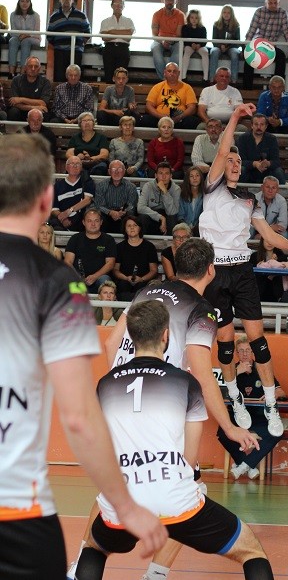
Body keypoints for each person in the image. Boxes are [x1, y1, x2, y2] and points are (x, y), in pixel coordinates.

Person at [0, 134, 164, 580]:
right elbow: (78, 416)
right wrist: (125, 506)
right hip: (17, 518)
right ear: (46, 198)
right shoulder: (60, 283)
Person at [75, 299, 273, 580]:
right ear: (166, 335)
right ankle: (157, 572)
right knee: (251, 551)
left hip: (122, 499)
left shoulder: (106, 384)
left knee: (94, 549)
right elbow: (189, 459)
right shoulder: (185, 382)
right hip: (174, 498)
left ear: (131, 336)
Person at [199, 102, 288, 438]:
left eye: (238, 162)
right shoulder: (212, 187)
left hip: (242, 271)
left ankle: (270, 403)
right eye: (230, 161)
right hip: (215, 273)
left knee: (258, 341)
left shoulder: (250, 198)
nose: (234, 164)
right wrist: (235, 116)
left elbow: (268, 236)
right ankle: (235, 398)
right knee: (225, 343)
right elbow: (224, 149)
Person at [218, 334, 286, 479]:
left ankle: (244, 465)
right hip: (237, 418)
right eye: (241, 351)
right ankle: (248, 464)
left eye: (248, 350)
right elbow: (219, 392)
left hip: (259, 416)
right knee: (222, 432)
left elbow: (281, 391)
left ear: (253, 352)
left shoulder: (261, 368)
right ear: (236, 353)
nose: (245, 354)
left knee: (277, 433)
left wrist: (273, 394)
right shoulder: (231, 370)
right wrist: (238, 372)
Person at [243, 0, 288, 89]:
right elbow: (252, 30)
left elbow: (287, 32)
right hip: (258, 45)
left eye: (275, 3)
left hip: (271, 47)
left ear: (279, 3)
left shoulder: (283, 13)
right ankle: (247, 88)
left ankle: (278, 87)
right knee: (248, 59)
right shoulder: (259, 11)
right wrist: (245, 47)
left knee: (281, 56)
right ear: (265, 3)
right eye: (270, 3)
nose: (273, 5)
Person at [64, 207, 117, 292]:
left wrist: (95, 276)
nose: (93, 224)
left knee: (105, 280)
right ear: (83, 222)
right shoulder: (75, 239)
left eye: (96, 221)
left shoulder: (108, 240)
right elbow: (68, 262)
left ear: (101, 222)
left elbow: (110, 263)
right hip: (78, 279)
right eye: (89, 221)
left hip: (100, 278)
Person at [47, 0, 91, 81]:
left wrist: (79, 44)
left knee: (75, 79)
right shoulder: (54, 17)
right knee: (59, 78)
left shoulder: (81, 15)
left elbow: (87, 33)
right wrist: (60, 44)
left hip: (76, 52)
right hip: (60, 52)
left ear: (73, 0)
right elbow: (49, 36)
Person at [142, 61, 200, 129]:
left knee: (192, 121)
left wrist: (180, 117)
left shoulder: (187, 87)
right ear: (165, 73)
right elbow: (149, 106)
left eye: (174, 71)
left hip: (180, 119)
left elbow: (192, 108)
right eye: (169, 71)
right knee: (145, 120)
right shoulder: (157, 87)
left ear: (179, 73)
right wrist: (161, 116)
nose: (172, 74)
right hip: (159, 119)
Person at [113, 215, 158, 300]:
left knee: (141, 288)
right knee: (123, 286)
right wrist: (126, 278)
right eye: (129, 226)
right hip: (124, 281)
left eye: (135, 225)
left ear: (140, 228)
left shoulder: (149, 247)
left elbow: (153, 270)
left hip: (143, 281)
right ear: (125, 229)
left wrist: (142, 279)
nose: (132, 228)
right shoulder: (119, 247)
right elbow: (115, 270)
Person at [236, 112, 286, 184]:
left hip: (266, 172)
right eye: (256, 124)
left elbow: (276, 161)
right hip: (249, 171)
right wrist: (254, 164)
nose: (259, 127)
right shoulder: (243, 138)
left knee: (278, 171)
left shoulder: (272, 139)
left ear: (266, 126)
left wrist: (268, 163)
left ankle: (282, 191)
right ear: (252, 126)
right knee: (241, 170)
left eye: (262, 124)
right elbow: (240, 160)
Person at [49, 156, 95, 231]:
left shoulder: (87, 181)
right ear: (66, 167)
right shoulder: (57, 185)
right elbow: (54, 209)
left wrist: (69, 211)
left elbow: (87, 200)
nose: (75, 166)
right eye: (72, 164)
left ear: (81, 167)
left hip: (80, 219)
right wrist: (62, 218)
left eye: (78, 164)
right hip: (62, 220)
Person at [94, 159, 139, 232]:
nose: (116, 172)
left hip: (123, 214)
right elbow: (99, 205)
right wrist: (110, 212)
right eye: (113, 169)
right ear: (109, 171)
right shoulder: (100, 186)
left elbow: (131, 205)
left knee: (130, 218)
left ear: (124, 171)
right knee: (98, 216)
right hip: (106, 214)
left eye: (120, 169)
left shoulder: (131, 187)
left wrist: (123, 212)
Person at [137, 160, 181, 235]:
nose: (163, 176)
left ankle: (170, 241)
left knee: (173, 218)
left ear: (171, 176)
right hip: (152, 215)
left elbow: (172, 212)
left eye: (167, 173)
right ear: (156, 175)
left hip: (167, 217)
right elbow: (140, 208)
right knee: (142, 217)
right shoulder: (148, 186)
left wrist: (165, 192)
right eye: (160, 173)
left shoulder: (176, 189)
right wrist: (160, 217)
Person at [99, 0, 135, 82]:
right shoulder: (105, 21)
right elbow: (104, 37)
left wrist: (111, 32)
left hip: (123, 48)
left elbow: (128, 37)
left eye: (121, 4)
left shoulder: (129, 21)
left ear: (124, 6)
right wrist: (122, 33)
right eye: (116, 4)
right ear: (112, 6)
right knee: (109, 76)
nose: (118, 6)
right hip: (109, 48)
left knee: (121, 77)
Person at [150, 0, 186, 78]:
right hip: (160, 40)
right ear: (163, 0)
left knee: (178, 52)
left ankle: (172, 77)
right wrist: (162, 41)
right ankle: (165, 79)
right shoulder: (157, 14)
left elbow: (179, 34)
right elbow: (154, 35)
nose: (169, 2)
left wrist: (171, 40)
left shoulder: (180, 15)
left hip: (175, 41)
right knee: (155, 49)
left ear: (176, 1)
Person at [7, 55, 52, 122]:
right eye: (30, 66)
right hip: (21, 110)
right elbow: (14, 103)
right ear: (25, 68)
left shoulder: (45, 82)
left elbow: (43, 103)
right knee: (13, 112)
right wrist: (33, 107)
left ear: (39, 68)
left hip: (37, 112)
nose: (33, 69)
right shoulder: (16, 80)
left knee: (44, 112)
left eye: (36, 66)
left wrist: (21, 99)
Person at [249, 237, 288, 302]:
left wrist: (275, 262)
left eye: (271, 241)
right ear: (262, 242)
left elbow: (284, 269)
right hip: (259, 288)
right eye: (267, 241)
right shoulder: (254, 256)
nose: (269, 243)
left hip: (275, 289)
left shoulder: (281, 256)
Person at [66, 111, 110, 176]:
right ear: (80, 124)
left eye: (89, 120)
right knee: (74, 168)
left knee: (100, 168)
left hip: (96, 163)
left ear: (93, 123)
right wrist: (77, 158)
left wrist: (91, 159)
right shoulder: (75, 138)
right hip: (79, 163)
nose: (87, 122)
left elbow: (104, 154)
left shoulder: (101, 137)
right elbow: (69, 153)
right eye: (84, 121)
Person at [8, 0, 41, 77]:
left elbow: (37, 32)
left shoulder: (35, 15)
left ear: (30, 3)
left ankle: (22, 73)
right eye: (22, 1)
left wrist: (26, 35)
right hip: (18, 37)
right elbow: (13, 31)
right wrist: (21, 35)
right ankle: (11, 73)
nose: (24, 3)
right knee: (12, 40)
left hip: (33, 38)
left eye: (27, 1)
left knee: (26, 41)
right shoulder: (13, 15)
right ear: (19, 3)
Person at [209, 4, 241, 82]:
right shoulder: (216, 24)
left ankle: (233, 80)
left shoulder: (236, 25)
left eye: (228, 13)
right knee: (214, 52)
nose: (226, 14)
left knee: (235, 54)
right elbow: (214, 40)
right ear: (222, 13)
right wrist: (220, 46)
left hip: (231, 47)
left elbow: (237, 42)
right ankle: (212, 79)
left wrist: (227, 47)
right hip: (218, 47)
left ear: (231, 14)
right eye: (224, 12)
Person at [181, 8, 209, 82]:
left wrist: (199, 45)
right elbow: (184, 38)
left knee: (205, 52)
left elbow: (205, 40)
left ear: (199, 19)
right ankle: (183, 76)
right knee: (187, 52)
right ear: (188, 18)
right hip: (189, 45)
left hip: (200, 46)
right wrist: (191, 44)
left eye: (196, 18)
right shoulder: (185, 27)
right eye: (192, 17)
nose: (194, 20)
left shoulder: (202, 28)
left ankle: (205, 78)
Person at [178, 165, 204, 234]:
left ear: (201, 177)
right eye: (191, 176)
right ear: (188, 179)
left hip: (200, 228)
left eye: (197, 175)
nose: (195, 178)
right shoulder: (182, 194)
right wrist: (186, 228)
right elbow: (180, 216)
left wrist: (195, 228)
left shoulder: (205, 195)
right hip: (184, 227)